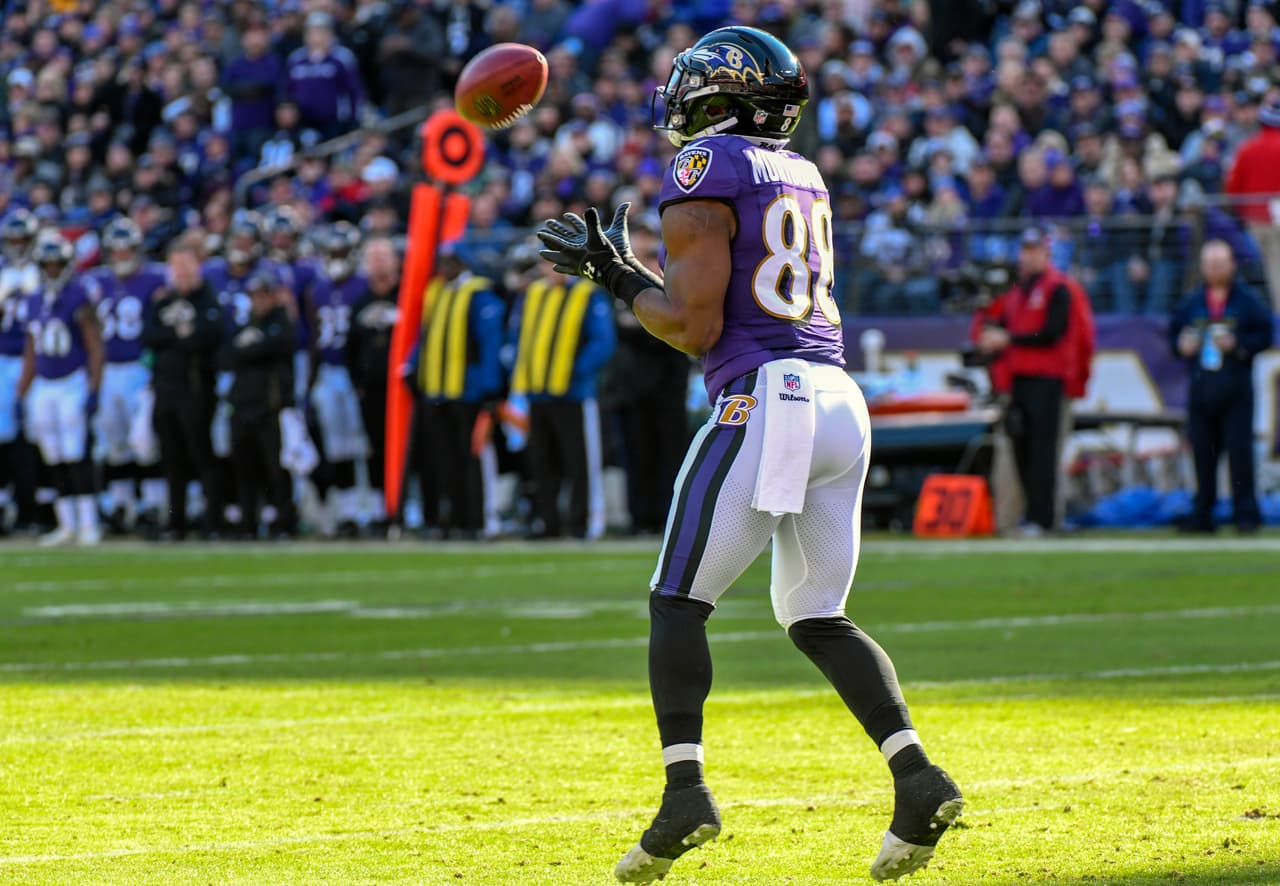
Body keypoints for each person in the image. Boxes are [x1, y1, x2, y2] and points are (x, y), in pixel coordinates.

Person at [536, 26, 961, 885]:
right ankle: (918, 779)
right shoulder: (800, 171)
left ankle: (684, 792)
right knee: (815, 615)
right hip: (841, 399)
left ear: (715, 97)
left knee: (675, 600)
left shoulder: (706, 168)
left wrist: (618, 276)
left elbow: (693, 327)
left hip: (768, 397)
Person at [975, 225, 1090, 534]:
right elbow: (998, 327)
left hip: (1048, 380)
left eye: (1034, 251)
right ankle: (1032, 516)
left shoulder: (1058, 288)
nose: (1028, 257)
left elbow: (1052, 333)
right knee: (1022, 450)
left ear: (1046, 253)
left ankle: (1045, 517)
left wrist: (1007, 338)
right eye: (1024, 251)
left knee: (1043, 452)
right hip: (1019, 380)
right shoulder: (1017, 293)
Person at [1170, 240, 1275, 533]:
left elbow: (1265, 333)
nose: (1215, 270)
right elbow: (1174, 334)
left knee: (1240, 453)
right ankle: (1203, 512)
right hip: (1201, 387)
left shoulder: (1246, 299)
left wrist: (1238, 346)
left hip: (1236, 388)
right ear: (1202, 268)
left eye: (1220, 263)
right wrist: (1182, 346)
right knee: (1203, 453)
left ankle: (1245, 514)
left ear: (1231, 265)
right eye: (1210, 264)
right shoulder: (1192, 301)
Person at [508, 262, 616, 540]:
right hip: (537, 392)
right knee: (542, 463)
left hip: (574, 394)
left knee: (581, 462)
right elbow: (519, 337)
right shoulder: (532, 294)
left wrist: (575, 372)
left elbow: (602, 341)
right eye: (546, 262)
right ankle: (547, 523)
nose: (551, 268)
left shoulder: (588, 294)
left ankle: (585, 523)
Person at [405, 245, 505, 539]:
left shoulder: (479, 294)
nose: (445, 268)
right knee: (442, 460)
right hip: (437, 390)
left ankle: (479, 519)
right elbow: (426, 336)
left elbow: (489, 343)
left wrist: (489, 386)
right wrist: (414, 368)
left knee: (472, 458)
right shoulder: (437, 292)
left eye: (452, 262)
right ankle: (453, 519)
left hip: (469, 391)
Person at [15, 234, 104, 546]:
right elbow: (30, 350)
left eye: (57, 264)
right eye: (47, 265)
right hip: (44, 383)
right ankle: (67, 523)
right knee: (52, 454)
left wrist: (94, 387)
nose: (52, 270)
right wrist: (21, 391)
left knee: (75, 451)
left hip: (71, 380)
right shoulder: (34, 299)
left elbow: (94, 346)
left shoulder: (78, 295)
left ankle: (89, 523)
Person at [142, 241, 224, 539]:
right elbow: (149, 334)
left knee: (202, 455)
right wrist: (178, 335)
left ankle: (212, 519)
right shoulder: (163, 300)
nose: (182, 273)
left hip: (197, 388)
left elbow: (207, 335)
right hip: (166, 388)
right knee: (172, 459)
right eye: (176, 266)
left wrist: (175, 338)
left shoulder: (208, 299)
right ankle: (176, 521)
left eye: (186, 266)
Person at [90, 218, 167, 531]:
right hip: (108, 369)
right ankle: (122, 503)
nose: (122, 256)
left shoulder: (155, 279)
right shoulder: (96, 282)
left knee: (145, 440)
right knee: (114, 440)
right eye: (117, 250)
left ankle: (154, 503)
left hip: (138, 366)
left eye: (127, 250)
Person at [308, 221, 369, 535]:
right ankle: (346, 511)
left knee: (362, 442)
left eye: (341, 251)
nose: (336, 257)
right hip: (328, 371)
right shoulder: (317, 289)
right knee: (336, 446)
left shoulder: (362, 285)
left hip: (354, 373)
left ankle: (367, 509)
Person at [228, 268, 297, 539]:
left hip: (271, 406)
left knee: (276, 468)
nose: (259, 301)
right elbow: (228, 354)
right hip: (244, 404)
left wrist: (250, 349)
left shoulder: (281, 323)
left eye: (264, 296)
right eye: (255, 296)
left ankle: (283, 521)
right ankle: (248, 522)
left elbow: (276, 346)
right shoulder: (247, 324)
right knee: (245, 467)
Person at [346, 237, 401, 532]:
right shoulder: (360, 302)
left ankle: (408, 507)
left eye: (383, 256)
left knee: (407, 450)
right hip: (373, 390)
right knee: (375, 449)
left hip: (402, 391)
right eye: (373, 258)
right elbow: (350, 347)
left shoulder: (407, 295)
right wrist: (357, 381)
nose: (378, 263)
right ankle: (382, 509)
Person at [0, 210, 42, 533]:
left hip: (37, 358)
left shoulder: (45, 271)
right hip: (2, 358)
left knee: (34, 435)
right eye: (11, 240)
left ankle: (32, 507)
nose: (16, 246)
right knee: (4, 435)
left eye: (21, 240)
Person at [1225, 101, 1280, 311]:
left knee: (1255, 270)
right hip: (1274, 219)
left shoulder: (1247, 149)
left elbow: (1232, 190)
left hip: (1253, 220)